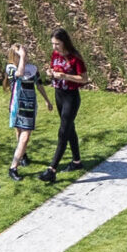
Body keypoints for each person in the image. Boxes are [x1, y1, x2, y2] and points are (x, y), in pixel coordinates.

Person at [40, 28, 89, 183]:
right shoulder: (55, 55)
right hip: (59, 94)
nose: (54, 47)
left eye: (57, 44)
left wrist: (66, 76)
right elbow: (54, 68)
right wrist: (50, 72)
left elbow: (84, 79)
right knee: (69, 128)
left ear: (64, 42)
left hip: (71, 97)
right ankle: (77, 162)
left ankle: (52, 169)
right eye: (53, 44)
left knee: (63, 131)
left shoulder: (75, 58)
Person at [2, 44, 50, 181]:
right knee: (23, 135)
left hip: (30, 106)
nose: (25, 56)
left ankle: (21, 156)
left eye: (25, 53)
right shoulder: (10, 68)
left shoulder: (33, 68)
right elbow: (20, 73)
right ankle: (13, 168)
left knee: (22, 135)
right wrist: (21, 57)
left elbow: (39, 84)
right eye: (20, 55)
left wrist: (47, 100)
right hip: (18, 106)